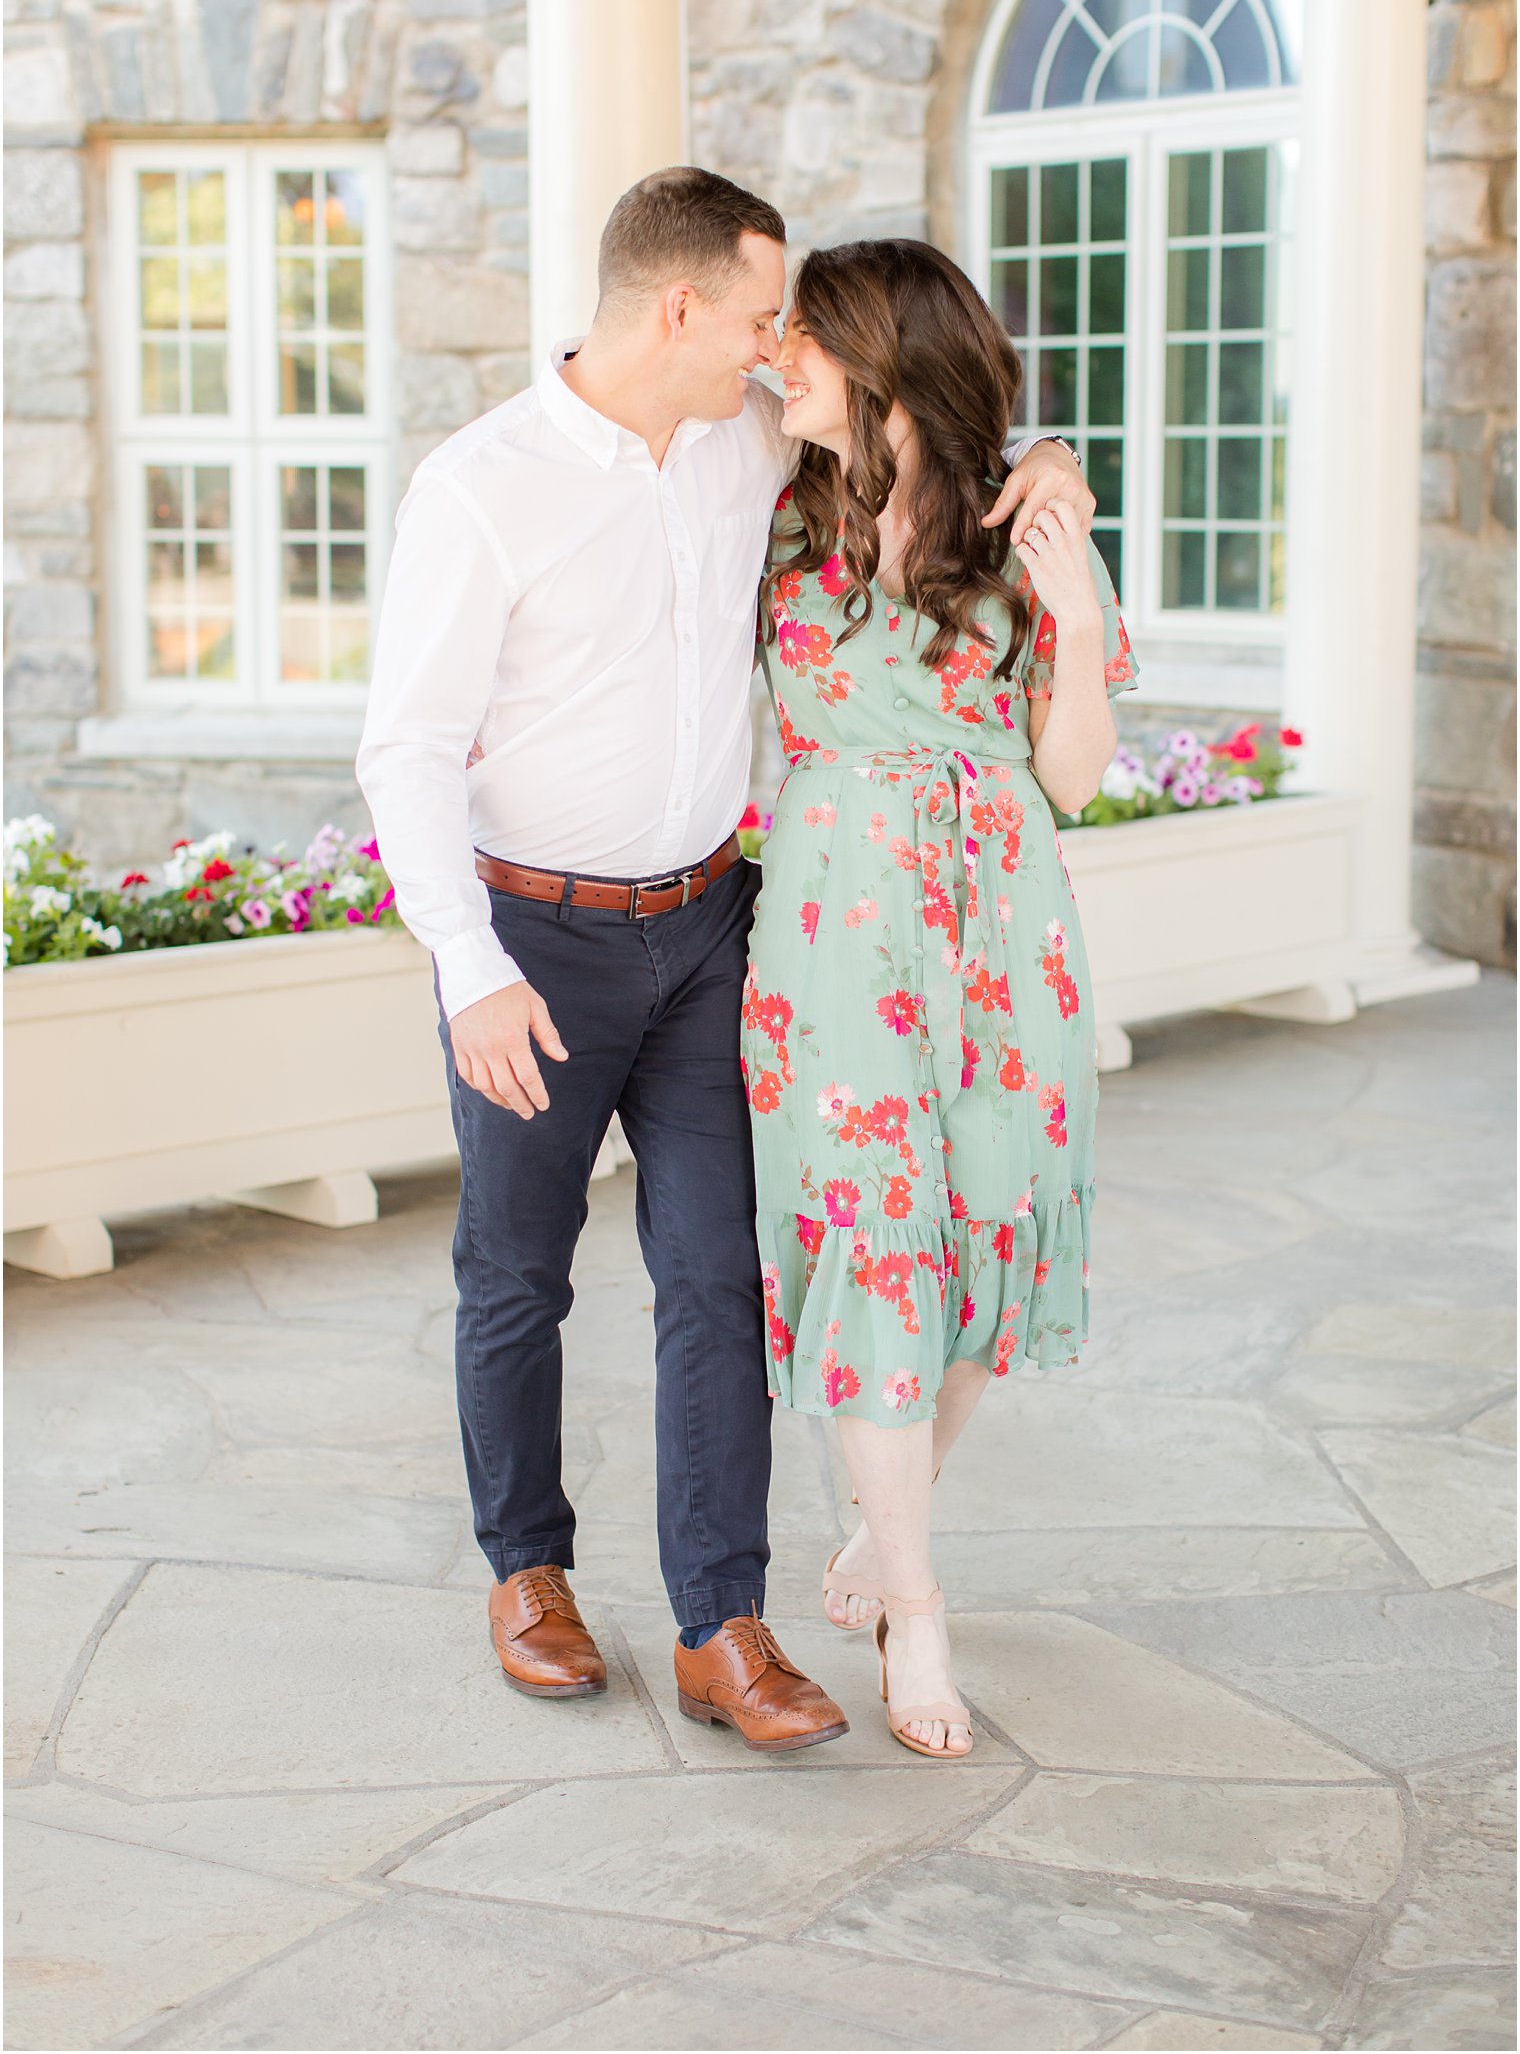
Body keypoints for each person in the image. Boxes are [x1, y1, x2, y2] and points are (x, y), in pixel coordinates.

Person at [357, 168, 1095, 1751]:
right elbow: (405, 746)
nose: (781, 349)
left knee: (718, 1279)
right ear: (682, 308)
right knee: (517, 1273)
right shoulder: (479, 485)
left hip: (709, 929)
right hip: (533, 938)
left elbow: (929, 441)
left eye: (796, 331)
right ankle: (530, 1570)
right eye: (766, 315)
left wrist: (1050, 471)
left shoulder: (752, 447)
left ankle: (721, 1618)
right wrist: (469, 963)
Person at [744, 237, 1136, 1759]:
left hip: (1004, 927)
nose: (784, 360)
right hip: (838, 928)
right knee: (874, 1235)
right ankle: (916, 1598)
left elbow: (1072, 775)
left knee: (990, 1230)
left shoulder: (1024, 527)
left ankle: (884, 1538)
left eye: (810, 339)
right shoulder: (778, 514)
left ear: (883, 361)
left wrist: (1085, 633)